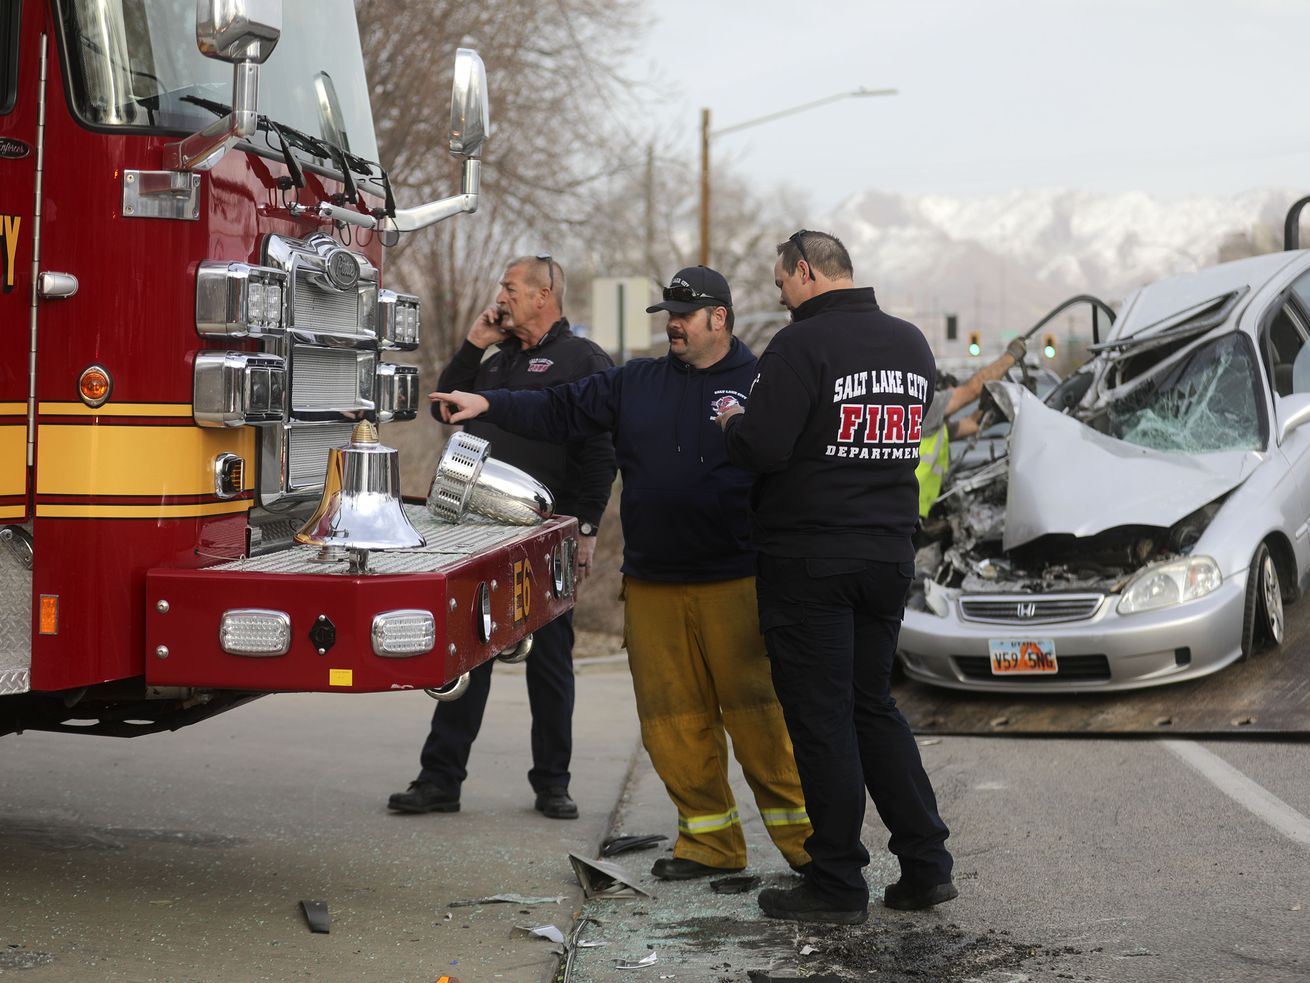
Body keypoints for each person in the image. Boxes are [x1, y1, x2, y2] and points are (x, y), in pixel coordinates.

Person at [432, 266, 812, 880]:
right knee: (673, 720)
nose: (673, 328)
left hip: (738, 578)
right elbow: (559, 408)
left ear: (720, 317)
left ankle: (811, 849)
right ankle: (710, 842)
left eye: (684, 317)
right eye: (667, 317)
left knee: (760, 718)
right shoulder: (636, 382)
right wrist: (489, 401)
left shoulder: (764, 381)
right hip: (655, 579)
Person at [716, 230, 955, 926]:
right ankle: (926, 865)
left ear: (807, 270)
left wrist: (733, 420)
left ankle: (837, 882)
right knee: (870, 706)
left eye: (781, 281)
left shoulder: (800, 346)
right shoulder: (911, 344)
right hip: (885, 554)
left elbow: (763, 446)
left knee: (822, 721)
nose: (778, 294)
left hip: (811, 561)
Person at [387, 255, 617, 821]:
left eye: (511, 288)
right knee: (465, 655)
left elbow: (599, 453)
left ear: (544, 295)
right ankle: (440, 780)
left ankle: (553, 784)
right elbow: (447, 410)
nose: (502, 295)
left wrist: (584, 528)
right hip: (478, 532)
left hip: (547, 533)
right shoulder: (497, 360)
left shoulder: (582, 360)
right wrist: (473, 344)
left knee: (551, 662)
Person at [916, 338, 1027, 516]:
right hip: (911, 511)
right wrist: (1011, 356)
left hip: (921, 511)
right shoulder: (930, 408)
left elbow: (972, 424)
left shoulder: (938, 428)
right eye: (951, 393)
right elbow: (972, 390)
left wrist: (992, 407)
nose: (954, 404)